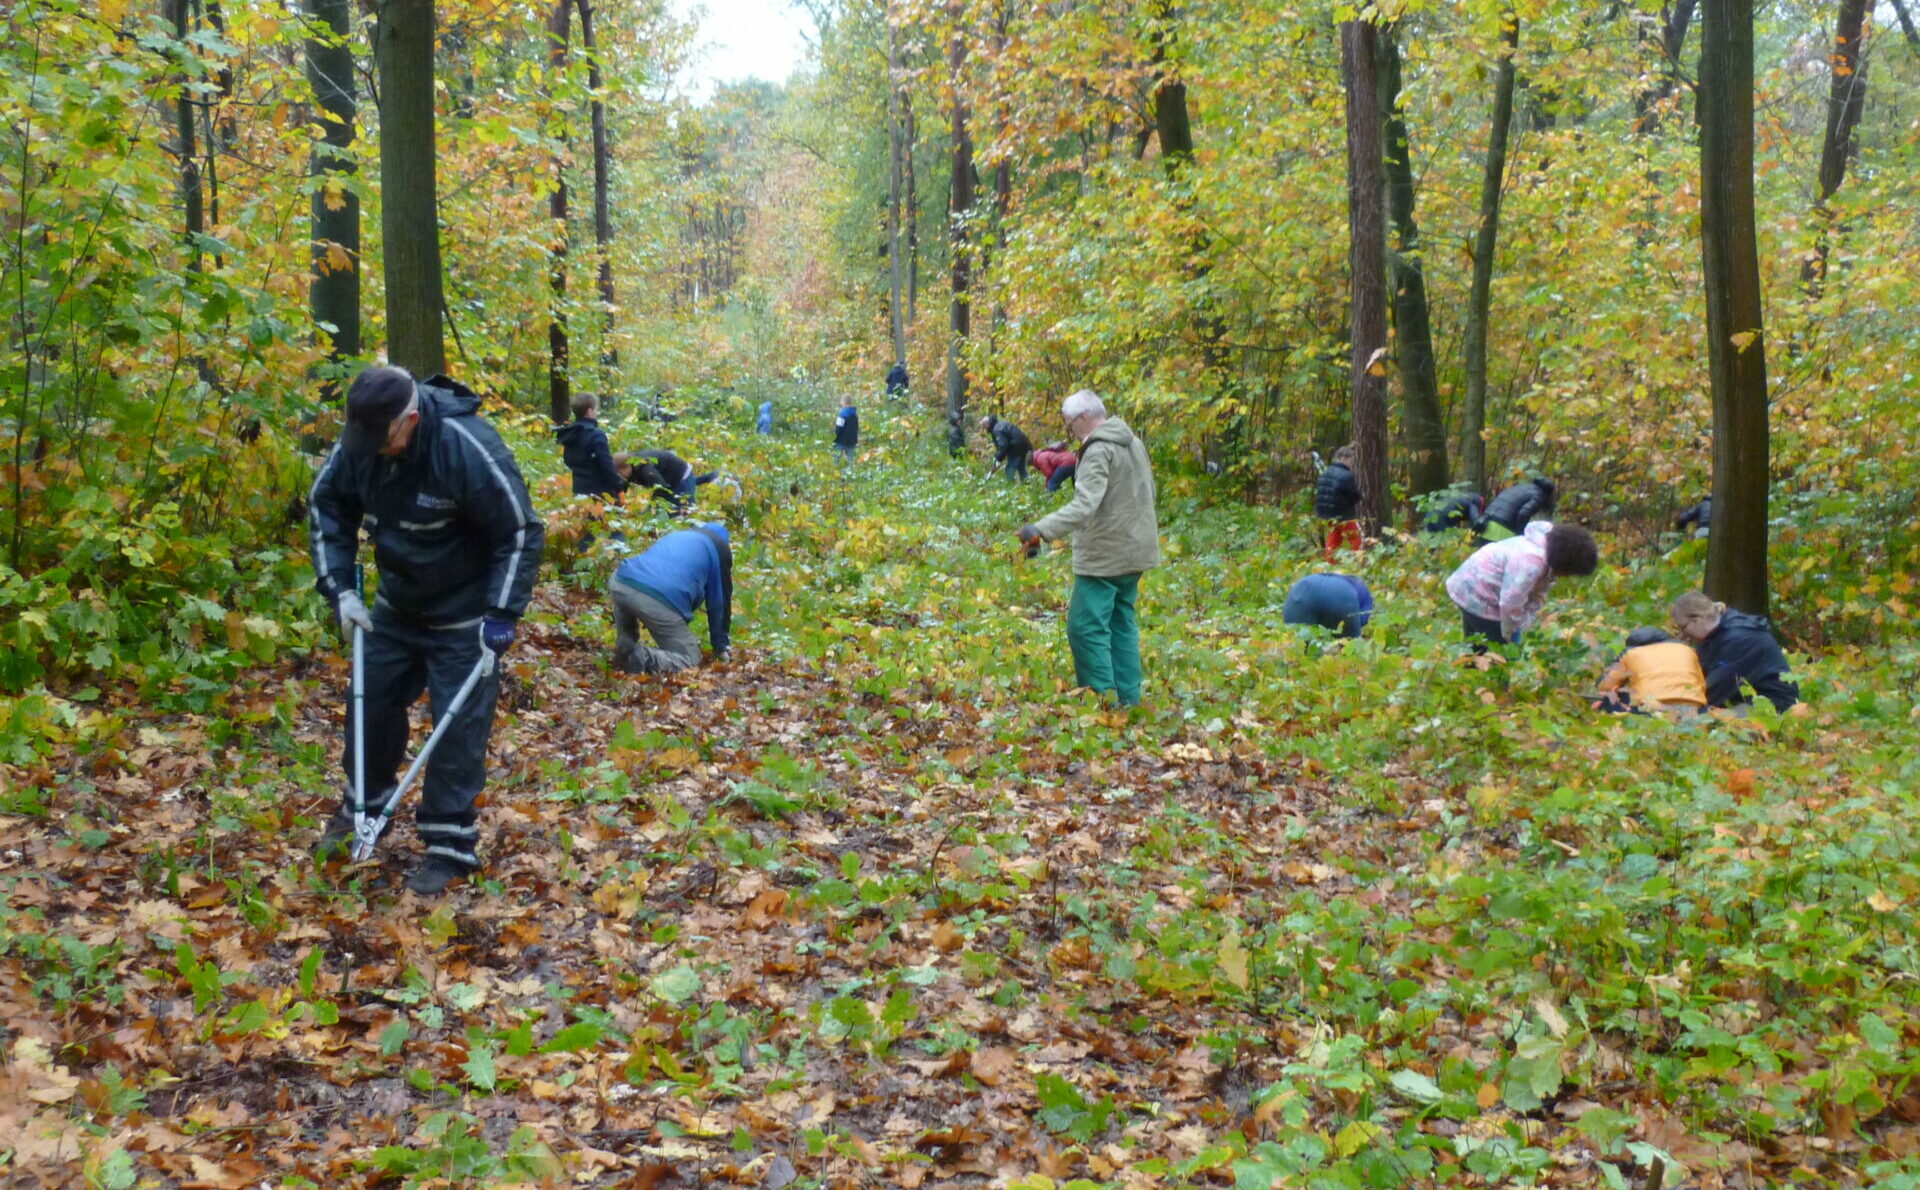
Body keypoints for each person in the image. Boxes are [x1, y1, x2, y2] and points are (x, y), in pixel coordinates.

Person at [309, 366, 545, 895]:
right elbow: (328, 505)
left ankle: (449, 846)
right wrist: (341, 590)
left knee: (455, 729)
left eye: (383, 439)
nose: (372, 449)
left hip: (463, 616)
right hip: (394, 607)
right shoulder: (362, 442)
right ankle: (362, 812)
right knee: (370, 708)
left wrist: (502, 615)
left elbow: (520, 529)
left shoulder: (465, 445)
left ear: (410, 420)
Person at [1016, 391, 1159, 706]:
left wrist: (1040, 529)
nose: (1070, 431)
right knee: (1121, 624)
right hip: (1135, 550)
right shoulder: (1133, 442)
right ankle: (1128, 699)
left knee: (1084, 628)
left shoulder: (1098, 450)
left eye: (1070, 424)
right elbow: (1148, 491)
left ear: (1082, 418)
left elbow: (1084, 505)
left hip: (1106, 556)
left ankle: (1101, 701)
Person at [1444, 521, 1598, 646]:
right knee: (1499, 655)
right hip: (1476, 591)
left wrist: (1526, 620)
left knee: (1477, 646)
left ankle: (1473, 674)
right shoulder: (1530, 563)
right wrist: (1510, 634)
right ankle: (1494, 681)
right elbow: (1510, 602)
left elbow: (1539, 591)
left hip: (1470, 584)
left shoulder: (1546, 548)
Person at [610, 523, 732, 674]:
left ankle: (625, 648)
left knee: (630, 601)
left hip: (620, 581)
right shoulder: (719, 549)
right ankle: (644, 657)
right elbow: (718, 603)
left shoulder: (679, 535)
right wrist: (720, 647)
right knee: (691, 660)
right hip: (656, 595)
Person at [1669, 592, 1799, 712]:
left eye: (1683, 627)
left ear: (1696, 618)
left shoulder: (1740, 639)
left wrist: (1679, 710)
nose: (1683, 635)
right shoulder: (1717, 633)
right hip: (1745, 699)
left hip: (1775, 705)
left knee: (1706, 721)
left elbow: (1714, 691)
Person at [1593, 627, 1707, 716]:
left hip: (1651, 708)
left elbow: (1604, 686)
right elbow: (1701, 685)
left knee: (1609, 699)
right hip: (1694, 707)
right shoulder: (1686, 649)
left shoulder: (1631, 652)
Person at [555, 393, 627, 499]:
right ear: (589, 411)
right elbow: (606, 465)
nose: (596, 412)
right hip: (599, 491)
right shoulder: (596, 435)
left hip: (578, 490)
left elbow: (567, 460)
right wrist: (619, 486)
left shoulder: (570, 433)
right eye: (595, 409)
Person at [1281, 573, 1373, 639]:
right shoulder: (1365, 595)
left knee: (1296, 644)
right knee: (1346, 649)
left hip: (1303, 587)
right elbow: (1360, 621)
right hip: (1341, 594)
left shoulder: (1336, 577)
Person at [1314, 444, 1363, 561]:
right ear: (1343, 458)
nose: (1352, 464)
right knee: (1357, 539)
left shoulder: (1326, 472)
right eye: (1351, 460)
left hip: (1327, 514)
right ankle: (1356, 563)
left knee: (1333, 538)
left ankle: (1329, 564)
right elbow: (1354, 495)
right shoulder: (1347, 475)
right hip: (1344, 514)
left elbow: (1321, 494)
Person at [628, 447, 716, 511]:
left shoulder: (644, 468)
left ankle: (716, 475)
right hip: (670, 478)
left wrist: (650, 508)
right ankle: (711, 476)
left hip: (681, 475)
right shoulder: (628, 464)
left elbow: (662, 488)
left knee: (683, 515)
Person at [1480, 476, 1556, 541]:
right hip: (1502, 528)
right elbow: (1523, 514)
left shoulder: (1521, 487)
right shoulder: (1539, 495)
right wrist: (1521, 533)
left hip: (1485, 522)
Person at [982, 415, 1033, 482]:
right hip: (1023, 445)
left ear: (987, 424)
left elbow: (1003, 446)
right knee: (1021, 468)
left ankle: (1009, 487)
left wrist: (998, 458)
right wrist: (997, 457)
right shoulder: (1000, 424)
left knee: (1009, 469)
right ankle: (1027, 484)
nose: (984, 428)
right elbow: (1003, 445)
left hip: (1016, 448)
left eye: (984, 426)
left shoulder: (997, 430)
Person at [833, 398, 859, 466]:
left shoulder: (842, 414)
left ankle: (835, 469)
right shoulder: (854, 414)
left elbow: (838, 428)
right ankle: (850, 473)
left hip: (841, 440)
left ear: (844, 402)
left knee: (836, 458)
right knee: (850, 459)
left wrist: (835, 437)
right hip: (852, 440)